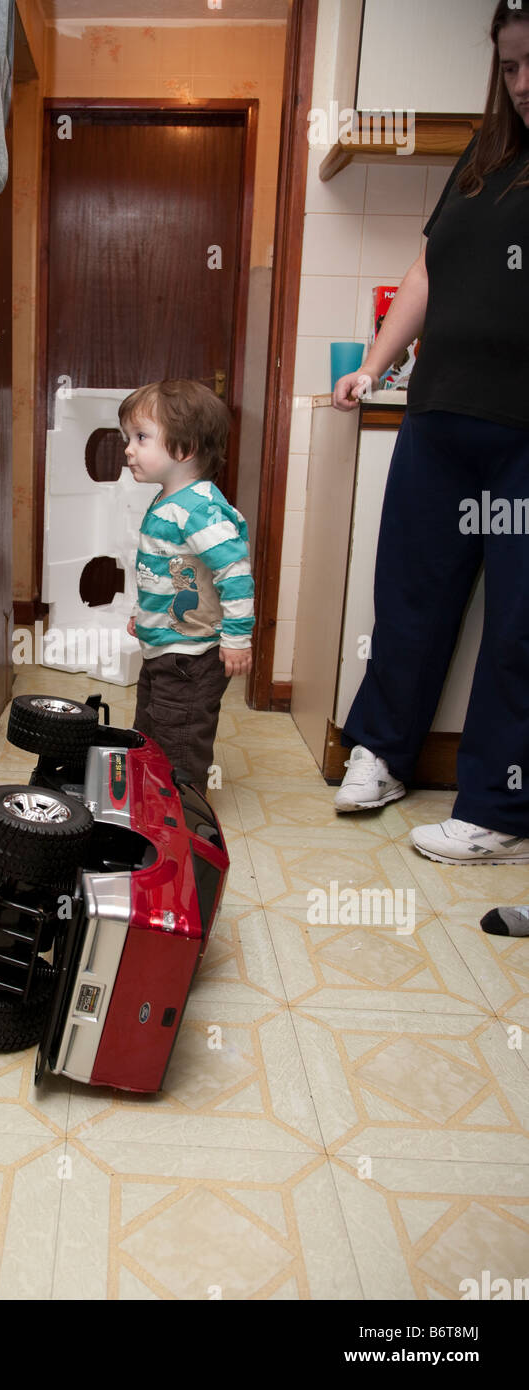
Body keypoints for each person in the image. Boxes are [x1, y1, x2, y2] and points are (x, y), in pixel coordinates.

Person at [331, 0, 529, 864]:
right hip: (441, 414)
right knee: (409, 596)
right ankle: (382, 753)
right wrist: (374, 366)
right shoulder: (482, 162)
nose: (522, 85)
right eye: (512, 68)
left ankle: (499, 809)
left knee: (522, 625)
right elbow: (425, 271)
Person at [120, 379, 255, 793]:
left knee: (179, 742)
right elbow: (167, 569)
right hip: (165, 646)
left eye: (141, 437)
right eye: (129, 437)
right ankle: (152, 800)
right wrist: (141, 615)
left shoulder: (199, 509)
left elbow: (234, 572)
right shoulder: (169, 500)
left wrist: (237, 637)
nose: (129, 448)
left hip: (191, 656)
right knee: (152, 725)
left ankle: (181, 816)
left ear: (184, 449)